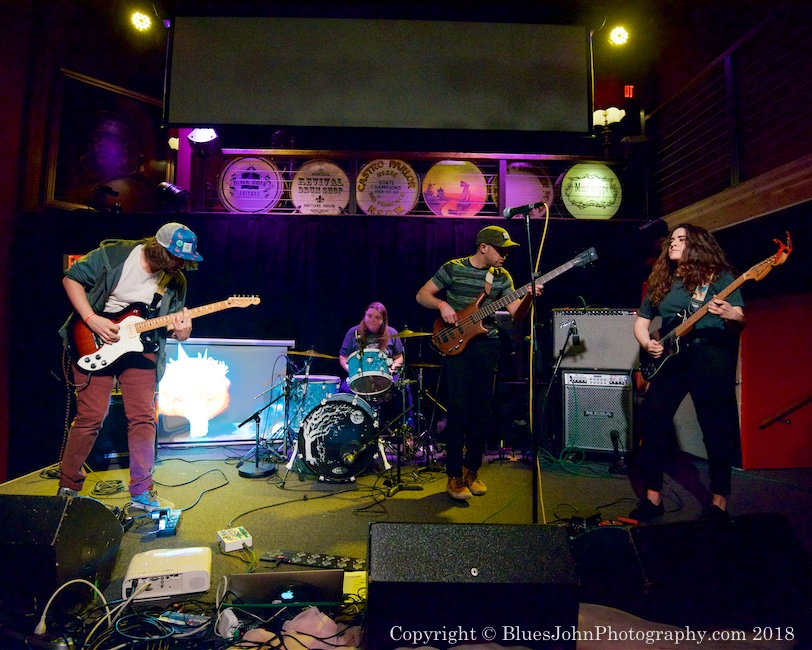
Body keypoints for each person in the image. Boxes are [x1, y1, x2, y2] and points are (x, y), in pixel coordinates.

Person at [57, 222, 203, 511]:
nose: (180, 264)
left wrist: (181, 333)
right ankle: (68, 487)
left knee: (143, 418)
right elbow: (71, 279)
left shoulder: (176, 281)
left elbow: (170, 324)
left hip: (141, 348)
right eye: (174, 257)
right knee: (90, 417)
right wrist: (91, 318)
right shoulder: (116, 255)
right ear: (157, 249)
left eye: (184, 259)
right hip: (95, 340)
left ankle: (142, 492)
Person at [416, 225, 541, 500]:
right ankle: (453, 477)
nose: (505, 256)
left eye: (508, 251)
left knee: (481, 413)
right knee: (458, 413)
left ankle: (472, 471)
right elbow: (422, 295)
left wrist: (530, 295)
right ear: (483, 247)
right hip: (457, 347)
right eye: (501, 249)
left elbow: (517, 315)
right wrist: (442, 306)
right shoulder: (453, 268)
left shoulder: (501, 277)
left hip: (487, 346)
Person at [631, 224, 745, 522]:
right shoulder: (663, 281)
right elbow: (642, 321)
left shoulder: (718, 276)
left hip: (711, 353)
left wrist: (729, 314)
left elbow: (739, 317)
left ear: (697, 245)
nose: (673, 243)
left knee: (715, 426)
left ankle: (719, 501)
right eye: (672, 239)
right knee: (654, 421)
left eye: (682, 239)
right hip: (671, 358)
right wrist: (648, 343)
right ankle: (653, 498)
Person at [338, 302, 410, 432]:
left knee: (404, 389)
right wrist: (351, 370)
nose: (373, 320)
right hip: (360, 376)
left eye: (377, 317)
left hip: (384, 376)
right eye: (370, 316)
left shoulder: (392, 333)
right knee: (344, 392)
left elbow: (399, 357)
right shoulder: (353, 333)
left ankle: (408, 431)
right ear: (364, 315)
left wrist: (393, 368)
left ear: (383, 320)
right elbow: (343, 357)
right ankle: (346, 431)